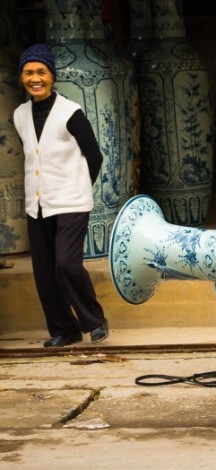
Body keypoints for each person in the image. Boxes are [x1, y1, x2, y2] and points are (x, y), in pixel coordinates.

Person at [13, 44, 109, 347]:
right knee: (44, 273)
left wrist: (79, 186)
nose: (35, 78)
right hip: (37, 206)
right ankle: (64, 330)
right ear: (22, 77)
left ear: (52, 76)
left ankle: (95, 320)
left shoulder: (71, 113)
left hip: (70, 203)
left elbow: (94, 156)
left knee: (65, 264)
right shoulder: (20, 114)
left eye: (41, 72)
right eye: (29, 72)